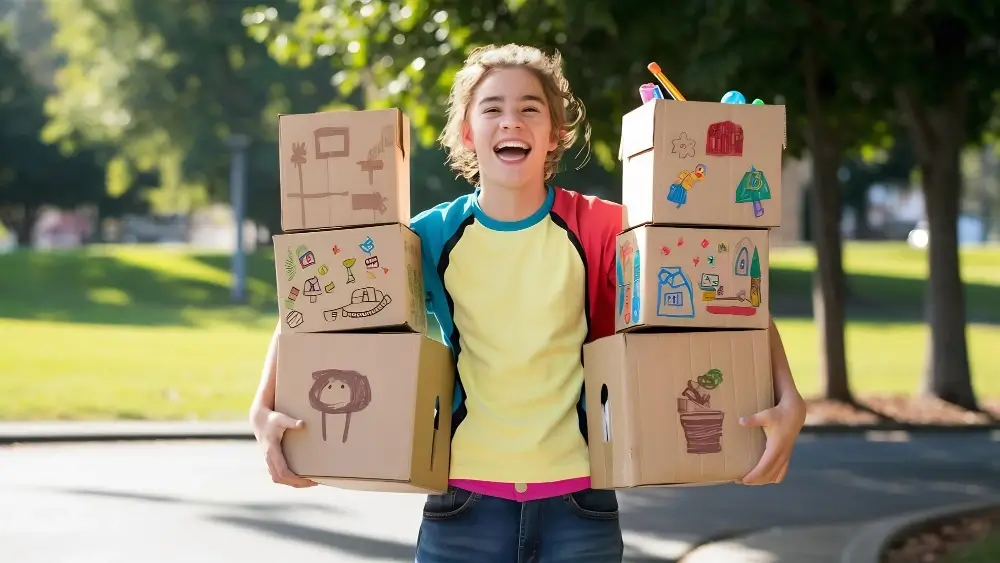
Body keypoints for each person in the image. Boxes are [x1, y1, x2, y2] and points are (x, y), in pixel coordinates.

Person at [249, 43, 807, 563]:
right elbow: (320, 299)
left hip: (581, 508)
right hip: (462, 507)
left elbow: (721, 292)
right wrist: (264, 403)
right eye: (491, 108)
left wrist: (787, 394)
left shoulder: (604, 227)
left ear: (556, 132)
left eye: (529, 109)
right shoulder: (430, 237)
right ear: (467, 133)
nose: (510, 120)